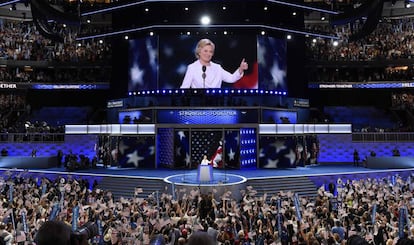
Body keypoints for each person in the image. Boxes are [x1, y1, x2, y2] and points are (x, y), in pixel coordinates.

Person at [180, 38, 248, 89]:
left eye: (210, 51)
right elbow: (184, 88)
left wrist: (241, 69)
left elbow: (231, 78)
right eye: (205, 51)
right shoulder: (192, 68)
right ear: (199, 52)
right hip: (198, 103)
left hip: (216, 103)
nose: (208, 54)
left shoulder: (217, 68)